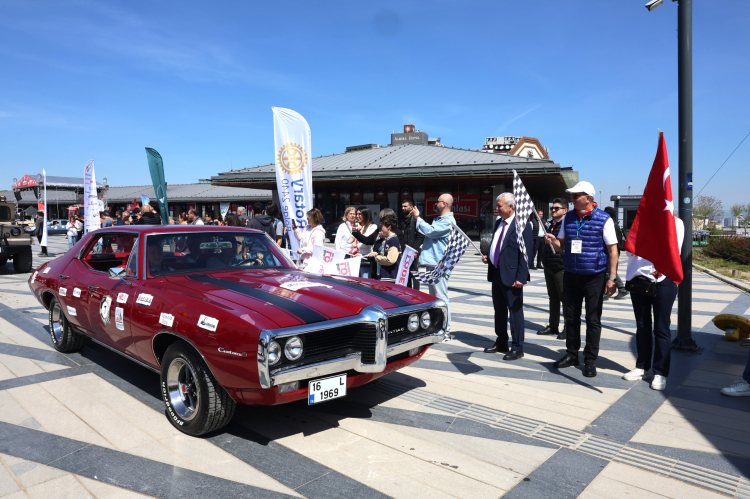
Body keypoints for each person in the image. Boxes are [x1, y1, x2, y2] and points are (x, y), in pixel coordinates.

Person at [545, 181, 619, 378]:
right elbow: (561, 245)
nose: (572, 199)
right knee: (571, 317)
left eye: (576, 196)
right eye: (572, 195)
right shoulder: (568, 217)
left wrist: (612, 278)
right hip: (571, 274)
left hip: (594, 276)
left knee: (593, 319)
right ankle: (571, 354)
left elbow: (613, 250)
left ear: (589, 198)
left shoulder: (604, 219)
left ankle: (590, 360)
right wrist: (553, 240)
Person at [622, 215, 684, 391]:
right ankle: (642, 367)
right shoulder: (640, 221)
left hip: (663, 279)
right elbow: (629, 250)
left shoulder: (675, 223)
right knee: (642, 326)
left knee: (662, 328)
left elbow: (672, 251)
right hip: (639, 279)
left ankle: (660, 372)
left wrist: (645, 246)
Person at [482, 193, 533, 360]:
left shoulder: (522, 225)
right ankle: (501, 341)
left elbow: (526, 253)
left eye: (500, 206)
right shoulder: (499, 222)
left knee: (515, 312)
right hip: (497, 273)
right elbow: (498, 245)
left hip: (512, 276)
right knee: (499, 310)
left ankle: (517, 347)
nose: (496, 208)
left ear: (511, 207)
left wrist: (522, 277)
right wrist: (489, 257)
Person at [412, 193, 456, 334]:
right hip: (433, 263)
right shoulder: (440, 219)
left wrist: (418, 218)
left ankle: (445, 329)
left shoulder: (448, 221)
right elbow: (433, 238)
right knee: (434, 298)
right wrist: (423, 247)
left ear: (444, 204)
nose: (435, 204)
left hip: (440, 264)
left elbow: (431, 232)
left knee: (441, 297)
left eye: (438, 201)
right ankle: (437, 326)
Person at [538, 198, 568, 339]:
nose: (553, 210)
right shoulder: (551, 225)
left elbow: (566, 246)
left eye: (557, 208)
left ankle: (568, 327)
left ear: (565, 210)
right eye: (552, 208)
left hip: (561, 267)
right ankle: (553, 326)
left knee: (565, 298)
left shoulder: (567, 225)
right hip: (549, 265)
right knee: (553, 298)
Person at [603, 206, 629, 300]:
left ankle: (621, 289)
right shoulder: (616, 225)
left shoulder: (612, 226)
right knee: (608, 271)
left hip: (612, 251)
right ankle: (610, 291)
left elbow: (614, 242)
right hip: (614, 251)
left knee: (609, 271)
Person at [400, 199, 425, 290]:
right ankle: (408, 292)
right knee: (405, 274)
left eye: (405, 206)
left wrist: (414, 250)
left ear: (411, 207)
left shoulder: (416, 219)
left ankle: (416, 293)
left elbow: (421, 237)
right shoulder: (403, 219)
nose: (403, 208)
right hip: (404, 251)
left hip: (413, 252)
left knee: (414, 274)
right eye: (402, 206)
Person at [369, 215, 400, 283]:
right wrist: (377, 254)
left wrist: (376, 257)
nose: (380, 230)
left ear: (389, 227)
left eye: (382, 227)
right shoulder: (388, 240)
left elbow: (390, 260)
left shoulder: (393, 240)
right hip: (385, 276)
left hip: (390, 277)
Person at [351, 207, 378, 278]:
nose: (357, 216)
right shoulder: (362, 227)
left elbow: (367, 242)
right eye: (357, 214)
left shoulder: (373, 227)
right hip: (358, 257)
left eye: (360, 214)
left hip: (366, 258)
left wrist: (357, 245)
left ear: (366, 215)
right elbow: (349, 240)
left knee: (365, 280)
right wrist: (355, 230)